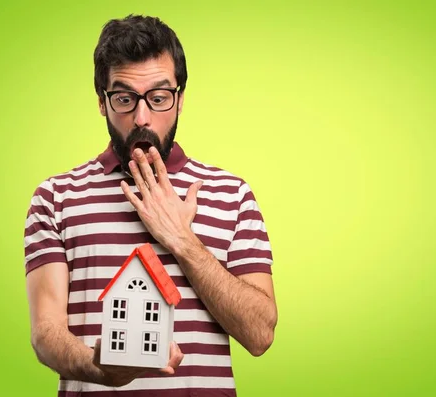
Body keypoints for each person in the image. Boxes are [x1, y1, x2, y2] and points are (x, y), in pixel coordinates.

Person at [24, 14, 277, 396]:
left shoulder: (232, 194)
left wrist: (181, 238)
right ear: (101, 102)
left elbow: (259, 335)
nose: (142, 118)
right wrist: (105, 369)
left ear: (180, 100)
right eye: (124, 99)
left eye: (158, 98)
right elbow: (46, 334)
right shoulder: (56, 198)